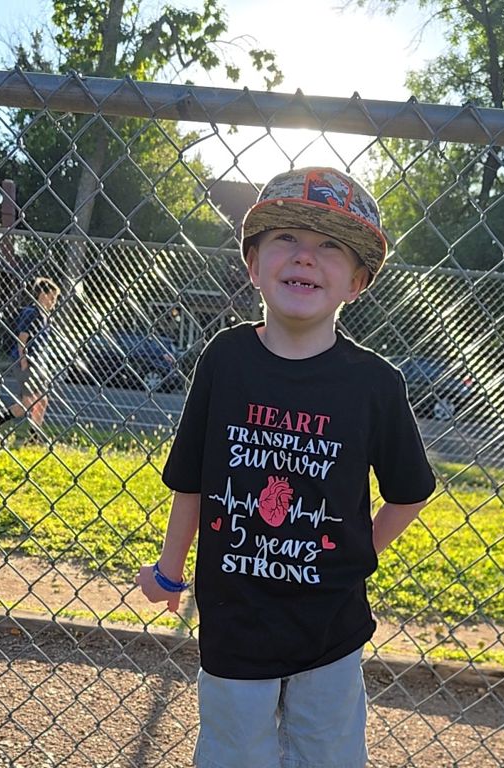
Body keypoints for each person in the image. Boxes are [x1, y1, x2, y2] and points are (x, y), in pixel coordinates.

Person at [136, 167, 435, 768]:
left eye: (331, 246)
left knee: (326, 753)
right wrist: (170, 572)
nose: (306, 257)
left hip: (330, 626)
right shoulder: (225, 359)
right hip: (233, 620)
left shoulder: (375, 384)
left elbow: (409, 493)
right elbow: (192, 478)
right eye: (286, 240)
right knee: (232, 751)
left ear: (358, 280)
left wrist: (355, 553)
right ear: (253, 265)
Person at [0, 276, 61, 440]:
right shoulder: (31, 314)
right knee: (28, 402)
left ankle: (35, 436)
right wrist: (23, 363)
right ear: (43, 294)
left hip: (37, 363)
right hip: (26, 362)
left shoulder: (44, 316)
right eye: (52, 298)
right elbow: (22, 340)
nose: (54, 302)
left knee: (42, 400)